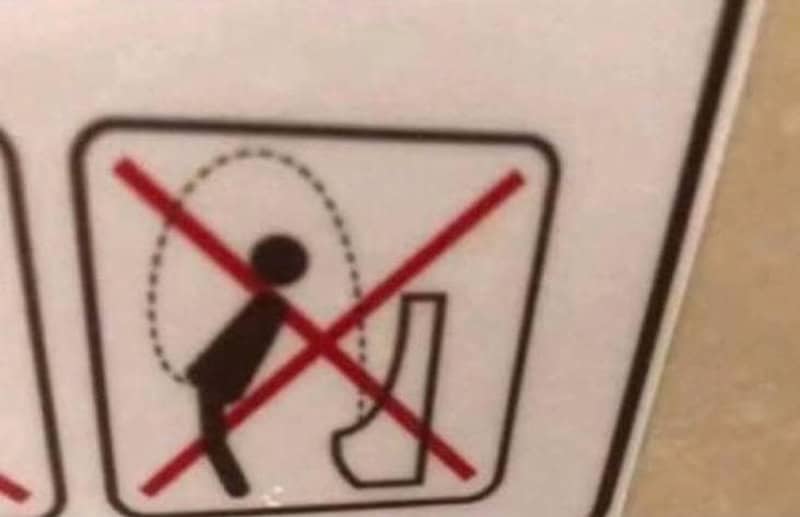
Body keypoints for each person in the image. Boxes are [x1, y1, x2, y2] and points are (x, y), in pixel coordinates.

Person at [187, 234, 309, 497]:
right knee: (213, 437)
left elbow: (238, 346)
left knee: (213, 438)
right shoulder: (270, 306)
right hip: (217, 379)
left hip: (217, 379)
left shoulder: (270, 307)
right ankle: (236, 488)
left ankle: (237, 488)